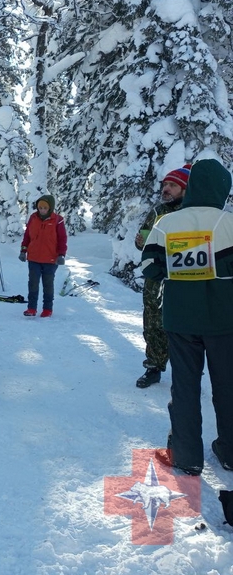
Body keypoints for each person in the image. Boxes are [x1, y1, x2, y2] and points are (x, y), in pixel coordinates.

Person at [141, 158, 233, 476]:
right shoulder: (230, 224)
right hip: (224, 321)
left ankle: (186, 455)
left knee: (185, 387)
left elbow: (149, 268)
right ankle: (230, 450)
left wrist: (179, 275)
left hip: (179, 319)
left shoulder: (167, 223)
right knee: (228, 386)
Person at [134, 164, 191, 388]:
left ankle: (187, 372)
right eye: (165, 184)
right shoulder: (158, 212)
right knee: (152, 324)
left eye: (172, 185)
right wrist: (140, 242)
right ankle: (154, 367)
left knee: (184, 328)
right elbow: (144, 241)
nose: (166, 189)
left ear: (185, 189)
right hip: (155, 280)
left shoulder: (192, 213)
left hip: (183, 279)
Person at [19, 195, 68, 318]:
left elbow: (62, 239)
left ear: (50, 208)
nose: (42, 210)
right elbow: (27, 236)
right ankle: (31, 308)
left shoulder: (58, 220)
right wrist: (23, 250)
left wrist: (61, 254)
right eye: (40, 207)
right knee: (33, 284)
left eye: (45, 208)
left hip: (51, 259)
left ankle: (47, 309)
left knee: (48, 284)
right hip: (34, 258)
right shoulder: (33, 218)